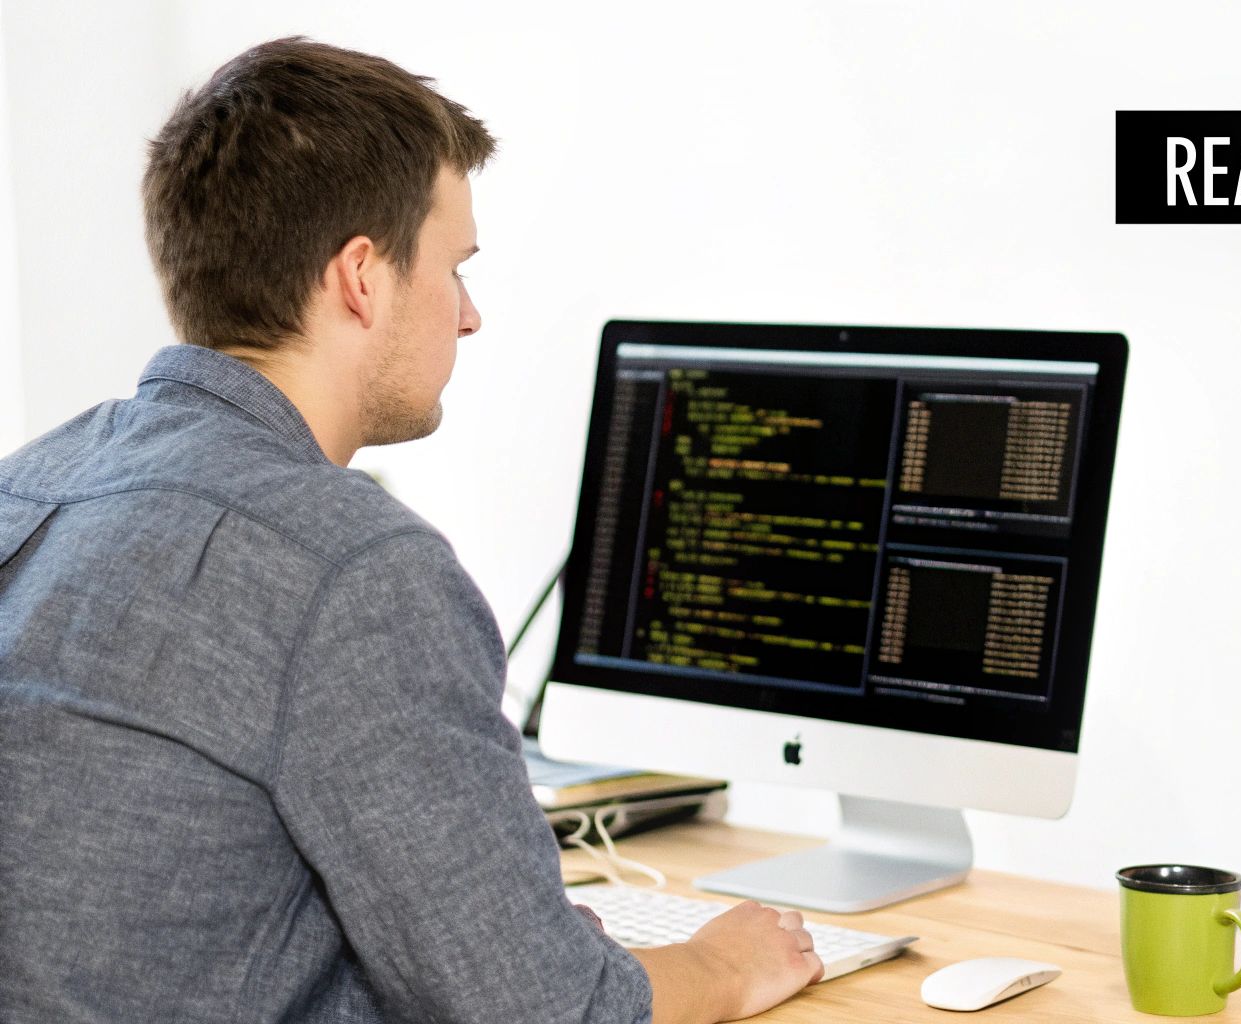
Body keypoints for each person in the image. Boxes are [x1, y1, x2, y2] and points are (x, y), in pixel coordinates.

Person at [0, 37, 819, 1024]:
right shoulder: (353, 569)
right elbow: (540, 1012)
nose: (467, 316)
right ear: (360, 277)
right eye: (453, 267)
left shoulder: (29, 484)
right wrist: (723, 965)